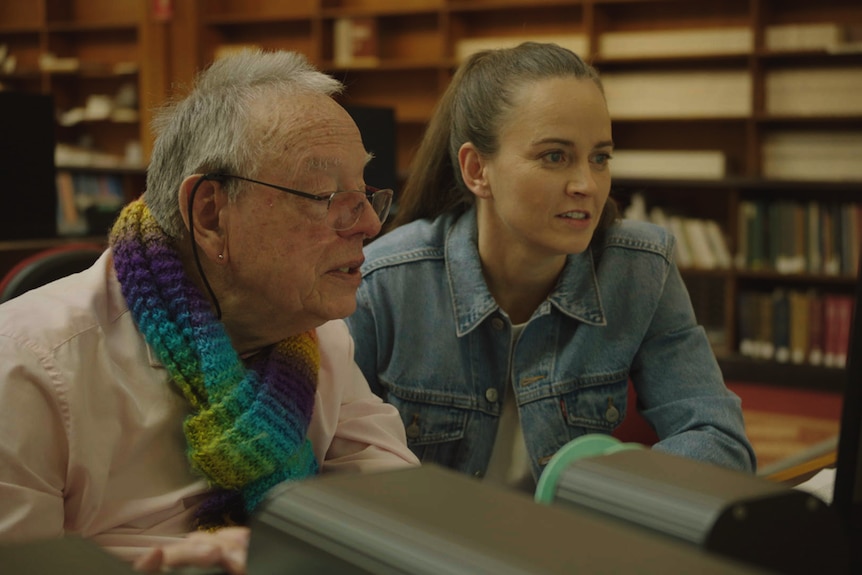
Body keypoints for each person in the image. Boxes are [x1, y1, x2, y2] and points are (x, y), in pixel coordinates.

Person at [0, 49, 419, 574]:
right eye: (327, 195)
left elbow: (394, 503)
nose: (368, 226)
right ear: (210, 213)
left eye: (365, 193)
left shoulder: (312, 330)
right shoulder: (27, 369)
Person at [344, 41, 755, 493]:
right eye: (554, 156)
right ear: (477, 169)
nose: (586, 185)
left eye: (600, 157)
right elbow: (329, 462)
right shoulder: (382, 282)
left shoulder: (641, 269)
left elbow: (719, 439)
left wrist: (607, 498)